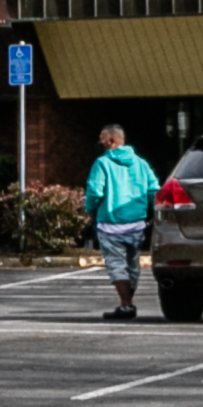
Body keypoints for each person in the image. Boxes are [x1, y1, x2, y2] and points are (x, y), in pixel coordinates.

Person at [83, 122, 162, 318]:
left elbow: (95, 191)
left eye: (102, 138)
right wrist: (155, 212)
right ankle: (128, 301)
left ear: (111, 141)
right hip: (136, 223)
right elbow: (154, 189)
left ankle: (126, 304)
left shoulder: (102, 164)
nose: (100, 142)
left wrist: (91, 210)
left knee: (117, 265)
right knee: (132, 265)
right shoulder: (141, 163)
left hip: (109, 224)